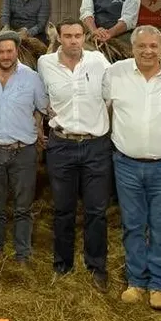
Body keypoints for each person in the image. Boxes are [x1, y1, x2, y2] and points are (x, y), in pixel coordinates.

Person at [102, 25, 161, 311]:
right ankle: (135, 281)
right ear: (132, 48)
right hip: (126, 162)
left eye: (154, 46)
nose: (148, 51)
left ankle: (159, 285)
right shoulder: (116, 74)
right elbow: (100, 107)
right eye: (142, 46)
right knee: (133, 224)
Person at [37, 18, 112, 291]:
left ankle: (96, 267)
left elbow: (112, 93)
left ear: (84, 37)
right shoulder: (45, 64)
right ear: (59, 37)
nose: (73, 41)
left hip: (95, 144)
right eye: (67, 36)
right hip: (62, 144)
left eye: (78, 36)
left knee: (96, 209)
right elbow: (42, 98)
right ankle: (63, 265)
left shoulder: (99, 61)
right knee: (63, 209)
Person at [0, 31, 48, 263]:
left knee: (23, 206)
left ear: (17, 51)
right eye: (0, 52)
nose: (5, 56)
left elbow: (42, 108)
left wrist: (38, 131)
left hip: (23, 150)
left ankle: (22, 252)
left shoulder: (31, 77)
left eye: (9, 51)